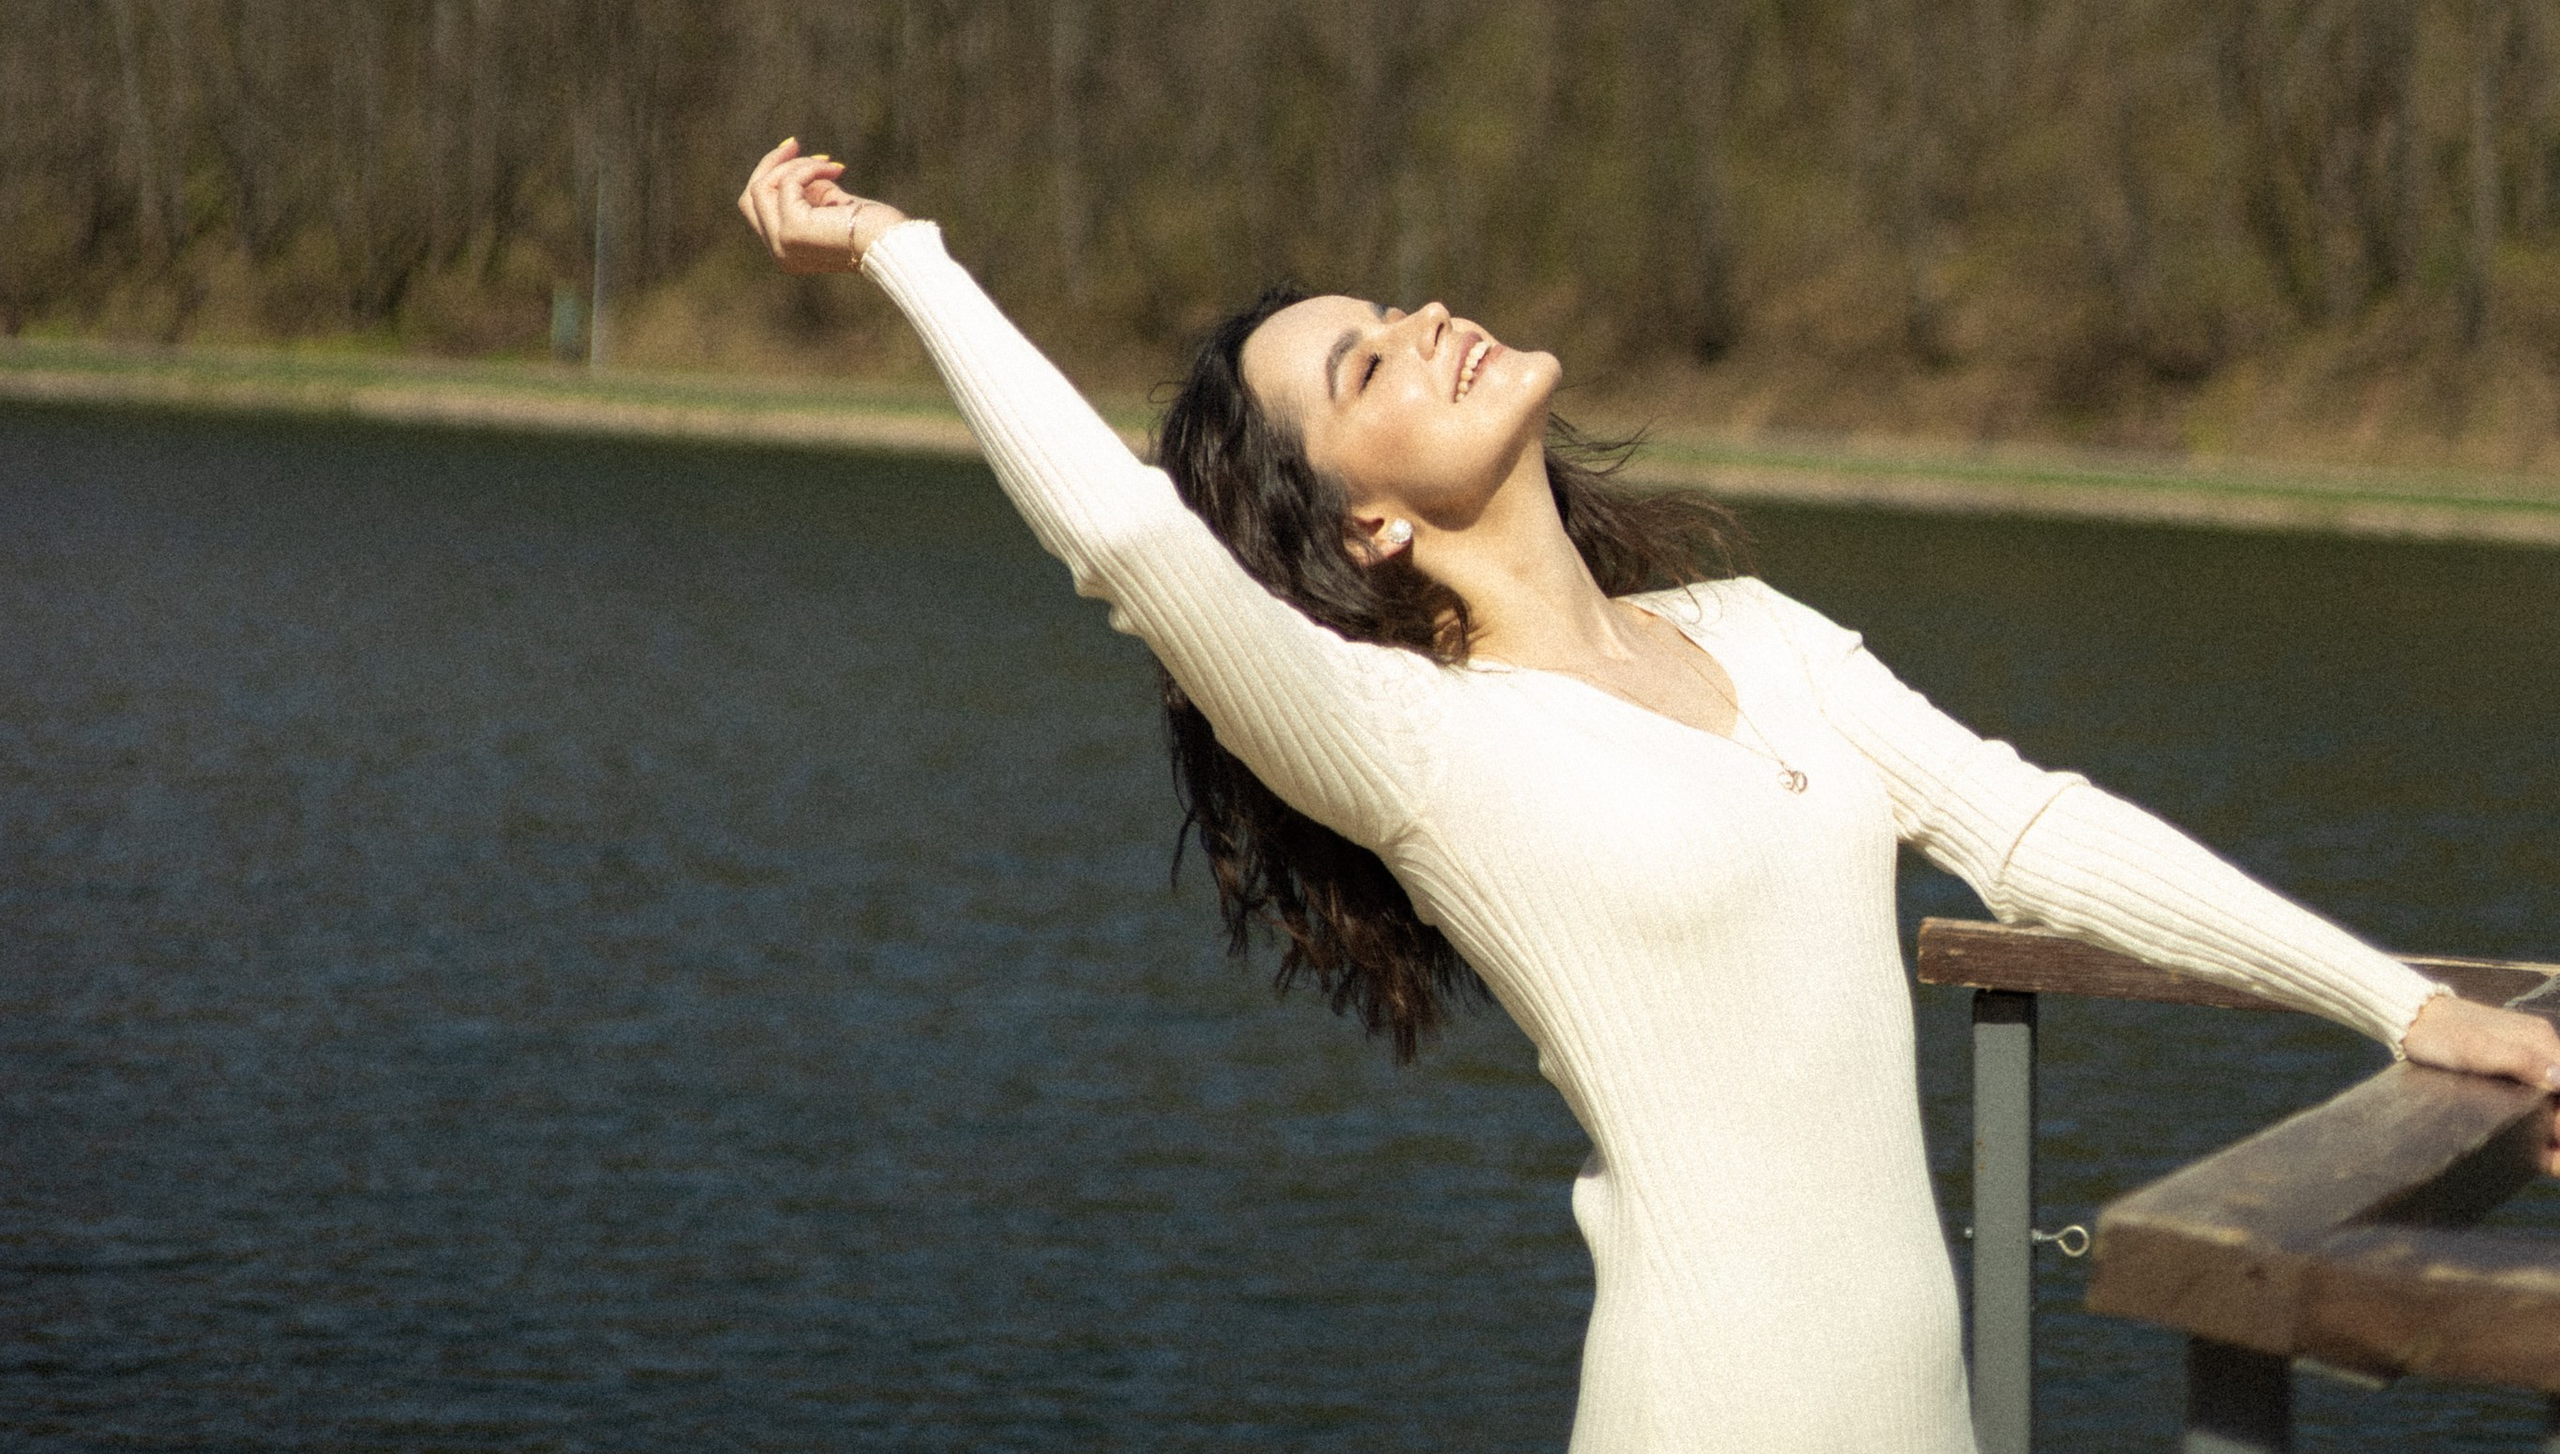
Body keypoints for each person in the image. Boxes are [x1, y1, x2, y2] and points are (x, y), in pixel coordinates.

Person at [738, 140, 2560, 1454]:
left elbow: (2034, 829)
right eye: (1362, 364)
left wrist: (2405, 1005)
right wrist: (903, 251)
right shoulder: (1414, 746)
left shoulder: (1754, 633)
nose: (1428, 320)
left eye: (1391, 309)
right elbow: (1128, 535)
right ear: (1364, 524)